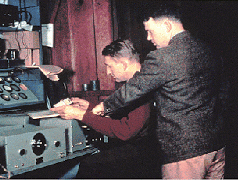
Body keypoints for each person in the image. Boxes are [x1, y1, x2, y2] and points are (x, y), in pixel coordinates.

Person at [92, 2, 228, 179]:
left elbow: (134, 89)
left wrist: (102, 108)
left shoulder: (163, 57)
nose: (148, 38)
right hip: (216, 147)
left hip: (184, 153)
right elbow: (224, 96)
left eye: (150, 31)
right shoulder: (210, 51)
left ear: (167, 26)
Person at [50, 39, 161, 178]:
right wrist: (89, 108)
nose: (108, 72)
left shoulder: (140, 88)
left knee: (88, 165)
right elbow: (126, 115)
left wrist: (81, 115)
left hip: (145, 154)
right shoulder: (138, 82)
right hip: (143, 148)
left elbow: (125, 131)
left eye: (109, 66)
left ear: (124, 64)